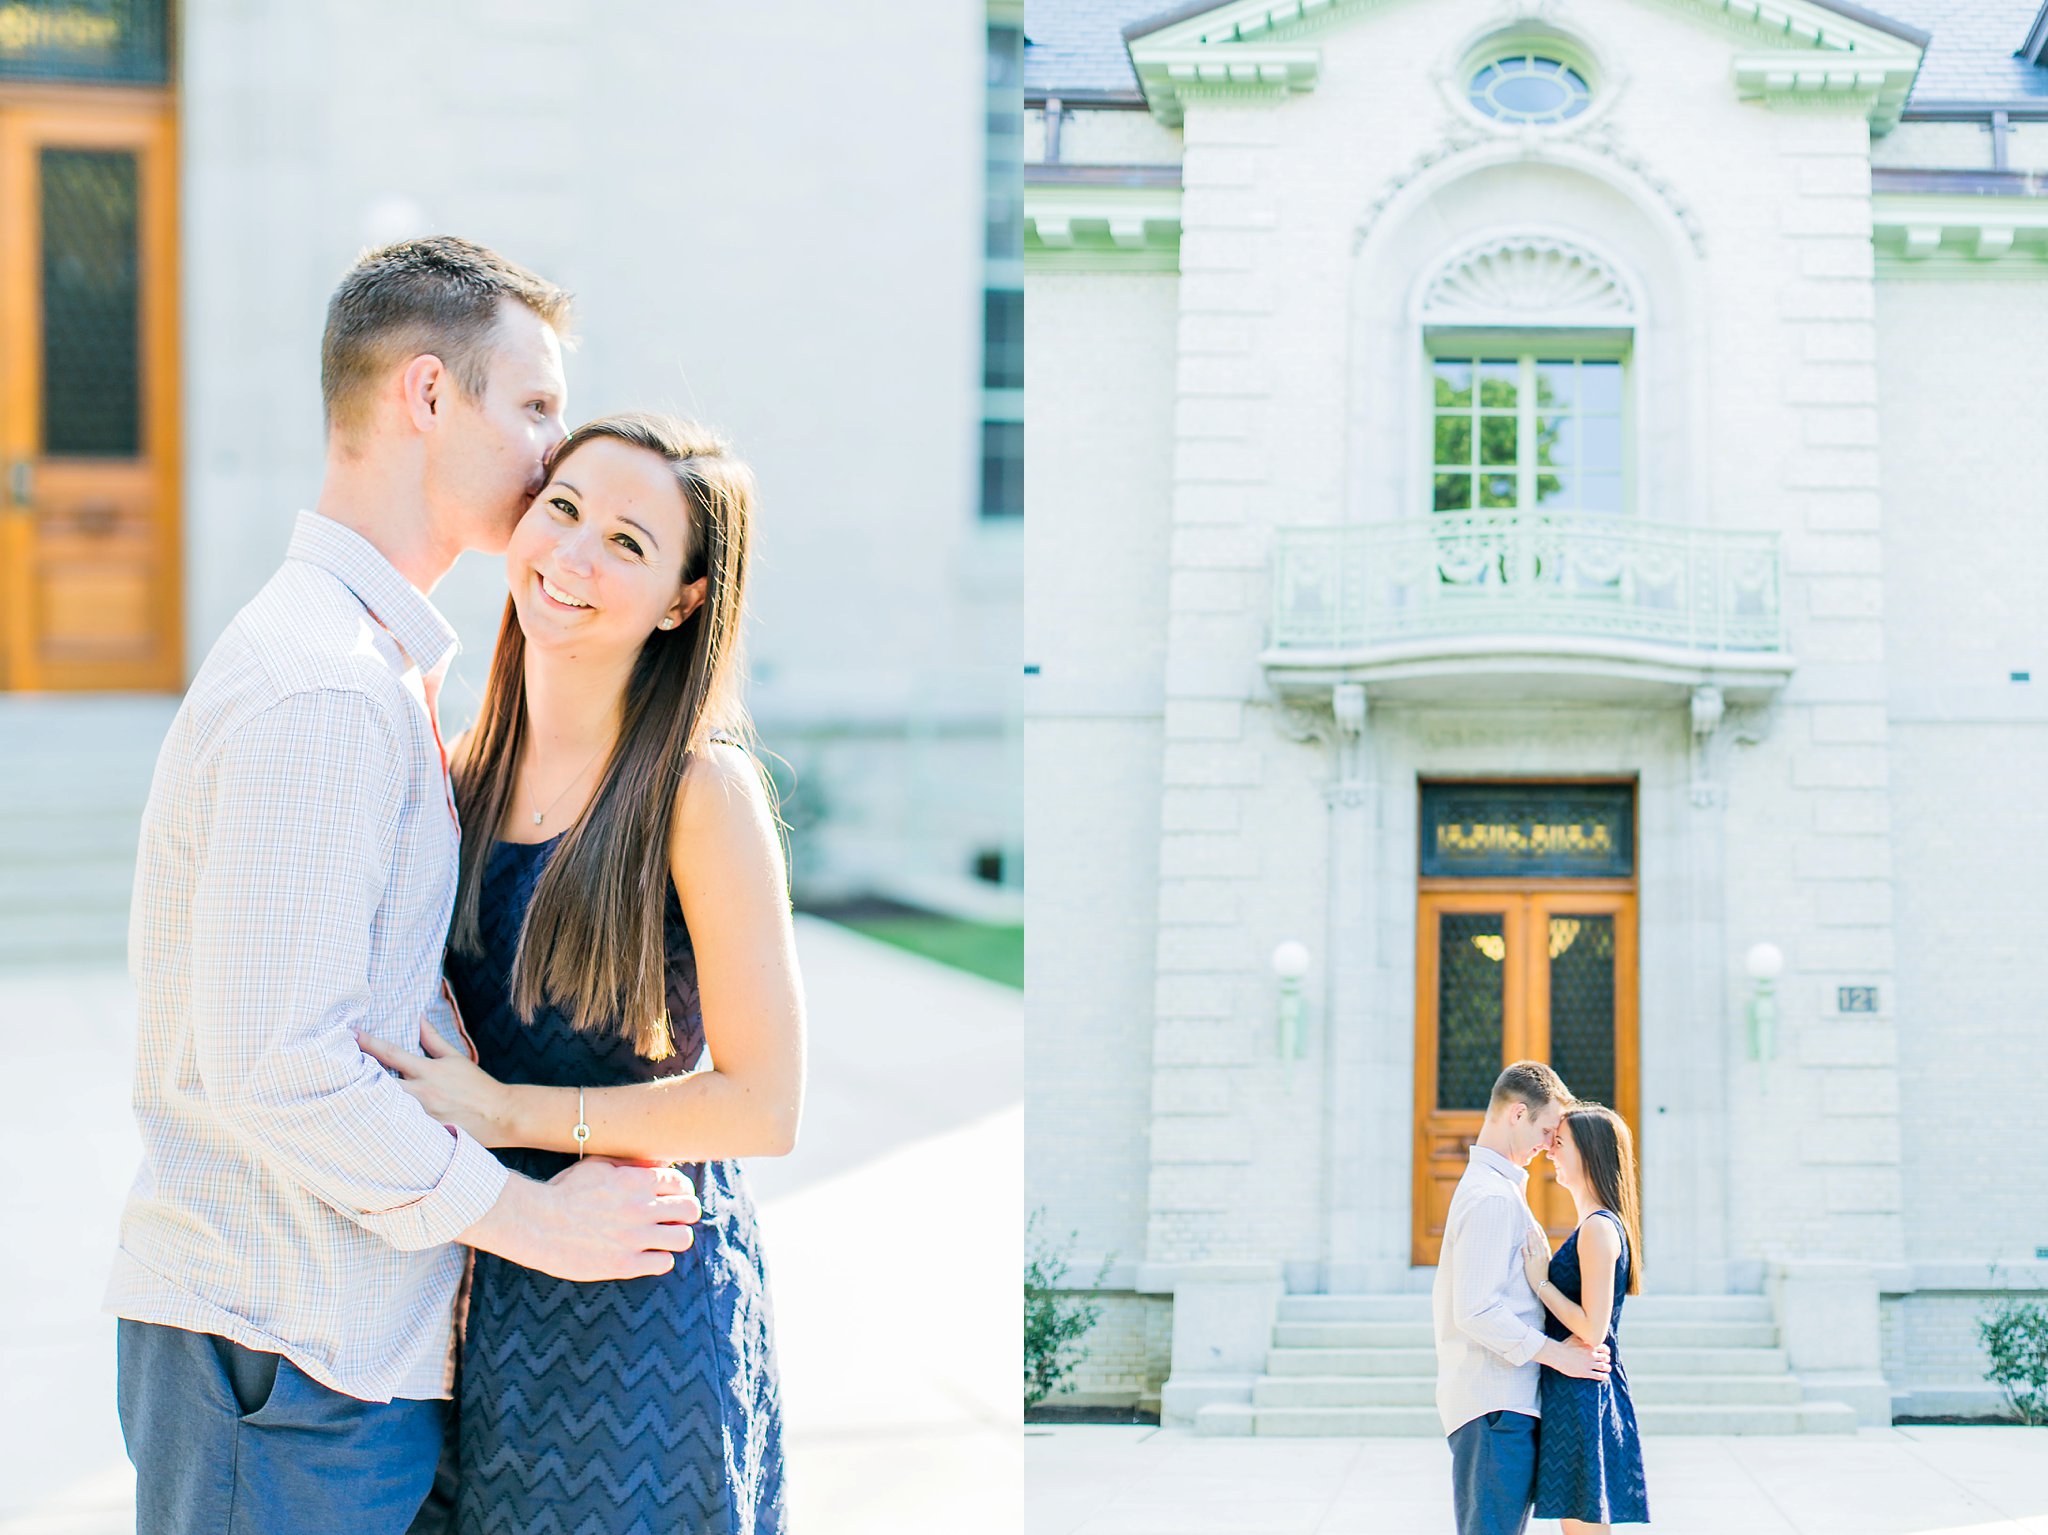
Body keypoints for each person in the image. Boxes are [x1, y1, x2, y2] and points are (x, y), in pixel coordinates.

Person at [106, 238, 704, 1535]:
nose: (555, 452)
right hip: (279, 1355)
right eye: (534, 403)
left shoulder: (379, 670)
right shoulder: (322, 686)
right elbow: (277, 1063)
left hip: (341, 1354)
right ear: (428, 396)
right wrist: (533, 1220)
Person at [361, 412, 804, 1533]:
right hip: (468, 1301)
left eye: (628, 541)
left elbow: (763, 1101)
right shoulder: (457, 771)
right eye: (563, 507)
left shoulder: (699, 793)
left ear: (681, 600)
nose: (572, 556)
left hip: (636, 1325)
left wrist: (503, 1106)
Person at [1433, 1061, 1612, 1535]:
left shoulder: (1500, 1190)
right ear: (1517, 1114)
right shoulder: (1492, 1197)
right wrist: (1559, 1357)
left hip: (1502, 1404)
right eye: (1549, 1129)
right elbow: (1475, 1310)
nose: (1551, 1144)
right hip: (1494, 1406)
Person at [1523, 1102, 1651, 1531]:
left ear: (1589, 1153)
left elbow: (1593, 1328)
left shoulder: (1599, 1228)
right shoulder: (1599, 1224)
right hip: (1576, 1389)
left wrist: (1541, 1282)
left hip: (1582, 1395)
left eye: (1559, 1144)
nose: (1550, 1152)